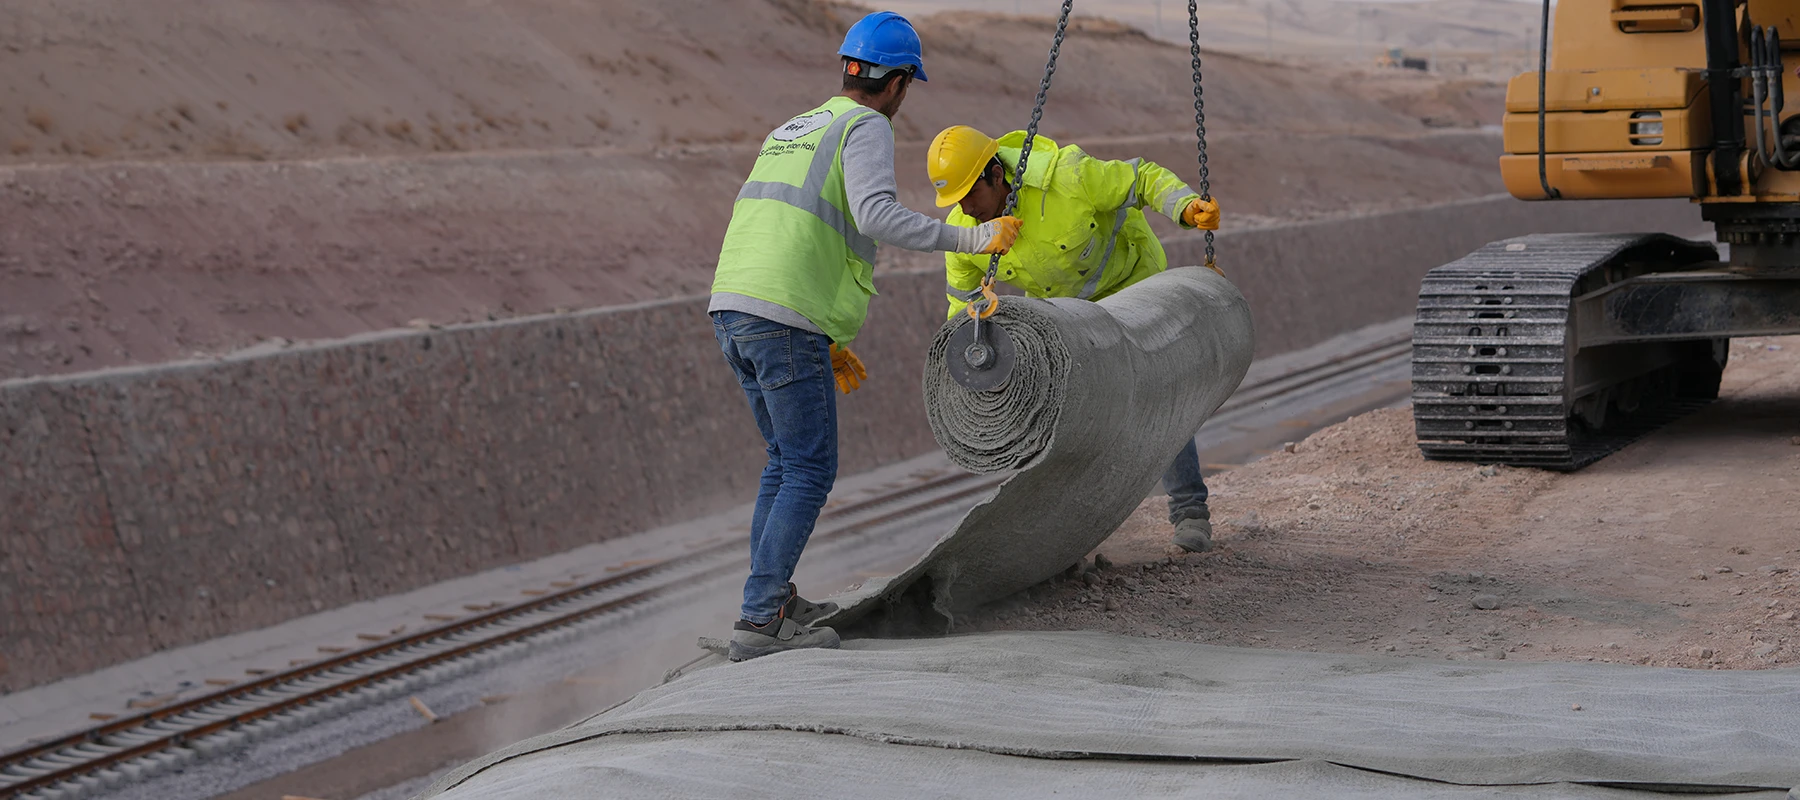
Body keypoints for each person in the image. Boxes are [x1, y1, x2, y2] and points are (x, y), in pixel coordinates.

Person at [708, 13, 1022, 661]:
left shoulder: (796, 126)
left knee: (783, 462)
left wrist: (819, 328)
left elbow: (789, 223)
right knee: (808, 468)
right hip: (783, 315)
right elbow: (875, 215)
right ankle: (761, 618)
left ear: (848, 67)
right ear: (899, 82)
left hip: (735, 306)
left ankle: (773, 600)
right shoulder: (866, 126)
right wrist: (976, 237)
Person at [926, 124, 1223, 553]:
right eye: (956, 201)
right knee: (1065, 412)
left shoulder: (1066, 177)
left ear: (997, 175)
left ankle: (1190, 512)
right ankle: (1069, 540)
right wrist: (971, 362)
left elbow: (1140, 178)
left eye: (970, 195)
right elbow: (962, 307)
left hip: (1132, 287)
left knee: (1158, 391)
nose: (966, 209)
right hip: (1069, 314)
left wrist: (1185, 206)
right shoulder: (966, 233)